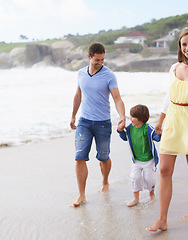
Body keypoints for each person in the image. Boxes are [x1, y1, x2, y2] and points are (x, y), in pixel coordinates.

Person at [146, 28, 188, 231]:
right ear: (180, 46)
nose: (187, 48)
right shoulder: (174, 68)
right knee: (165, 170)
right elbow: (169, 97)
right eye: (184, 44)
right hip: (173, 120)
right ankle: (162, 219)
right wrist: (160, 120)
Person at [70, 43, 126, 207]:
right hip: (84, 122)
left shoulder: (109, 75)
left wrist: (122, 116)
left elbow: (117, 98)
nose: (100, 62)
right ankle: (81, 195)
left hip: (103, 123)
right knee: (80, 156)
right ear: (89, 57)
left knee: (103, 157)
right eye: (97, 60)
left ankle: (105, 181)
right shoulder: (81, 74)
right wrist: (73, 116)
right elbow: (78, 95)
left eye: (102, 59)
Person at [117, 104, 161, 207]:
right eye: (130, 116)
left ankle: (151, 194)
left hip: (149, 160)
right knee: (135, 178)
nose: (130, 118)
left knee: (149, 179)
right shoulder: (129, 128)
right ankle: (136, 198)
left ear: (141, 118)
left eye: (133, 117)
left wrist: (159, 133)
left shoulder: (148, 128)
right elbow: (125, 137)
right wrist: (120, 130)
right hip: (136, 160)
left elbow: (156, 138)